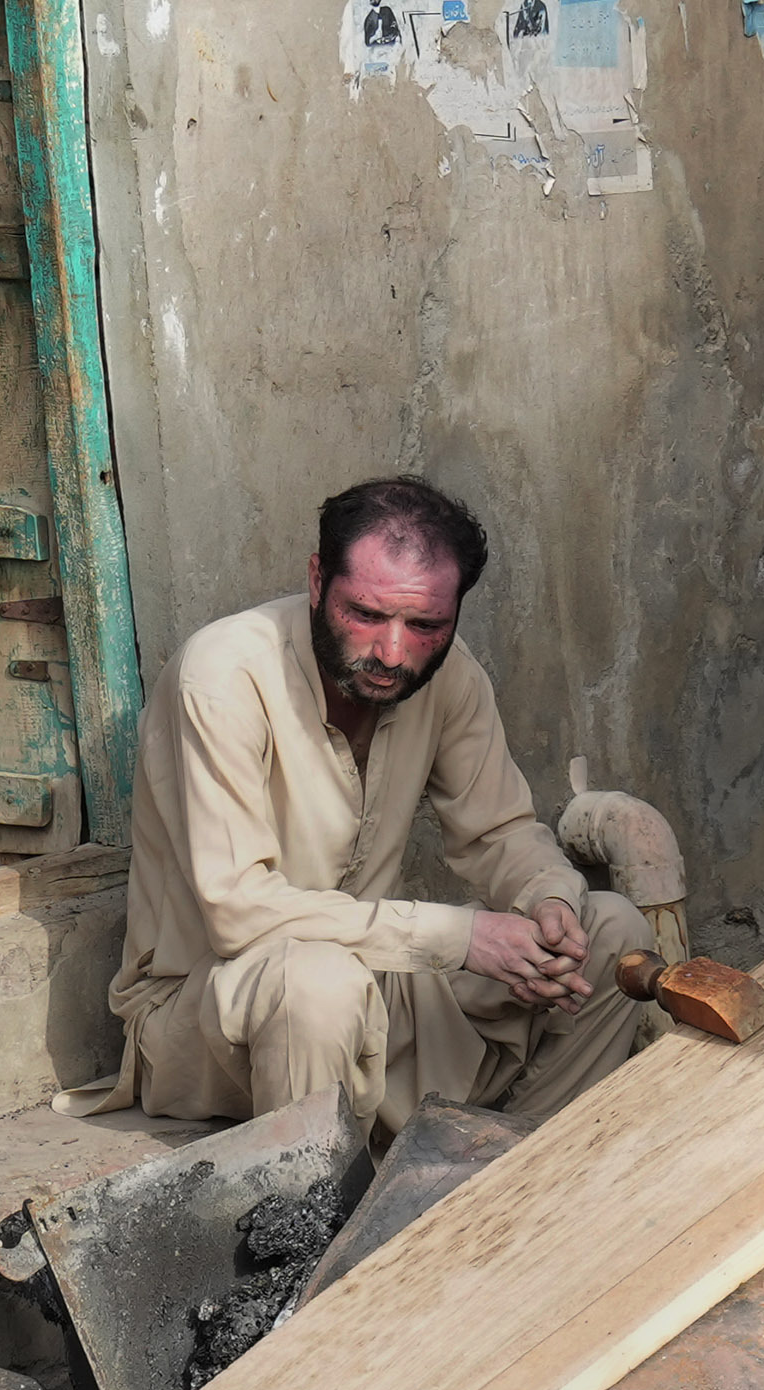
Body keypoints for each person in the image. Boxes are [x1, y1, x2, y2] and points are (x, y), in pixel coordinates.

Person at [124, 475, 666, 1138]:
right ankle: (310, 1218)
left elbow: (500, 832)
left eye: (425, 625)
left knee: (609, 931)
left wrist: (547, 902)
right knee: (317, 985)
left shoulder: (451, 676)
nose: (391, 651)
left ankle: (512, 1172)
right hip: (215, 1012)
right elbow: (240, 914)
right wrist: (461, 939)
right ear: (318, 579)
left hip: (374, 981)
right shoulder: (222, 677)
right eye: (366, 614)